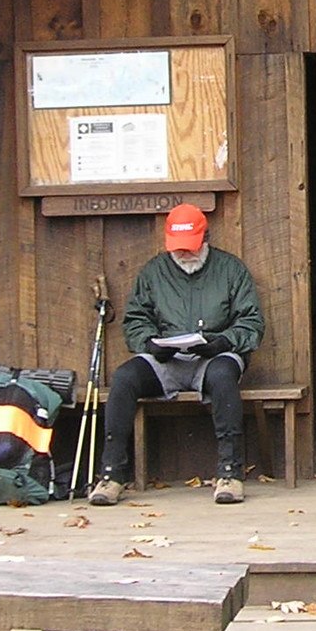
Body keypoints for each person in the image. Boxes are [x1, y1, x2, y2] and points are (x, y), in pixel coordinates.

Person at [88, 203, 265, 505]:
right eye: (178, 247)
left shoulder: (230, 269)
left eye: (190, 247)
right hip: (165, 358)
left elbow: (251, 322)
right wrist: (149, 343)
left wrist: (222, 342)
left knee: (224, 376)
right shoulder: (154, 271)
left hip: (214, 356)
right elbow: (135, 319)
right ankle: (111, 475)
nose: (184, 253)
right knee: (124, 378)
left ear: (205, 238)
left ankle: (230, 473)